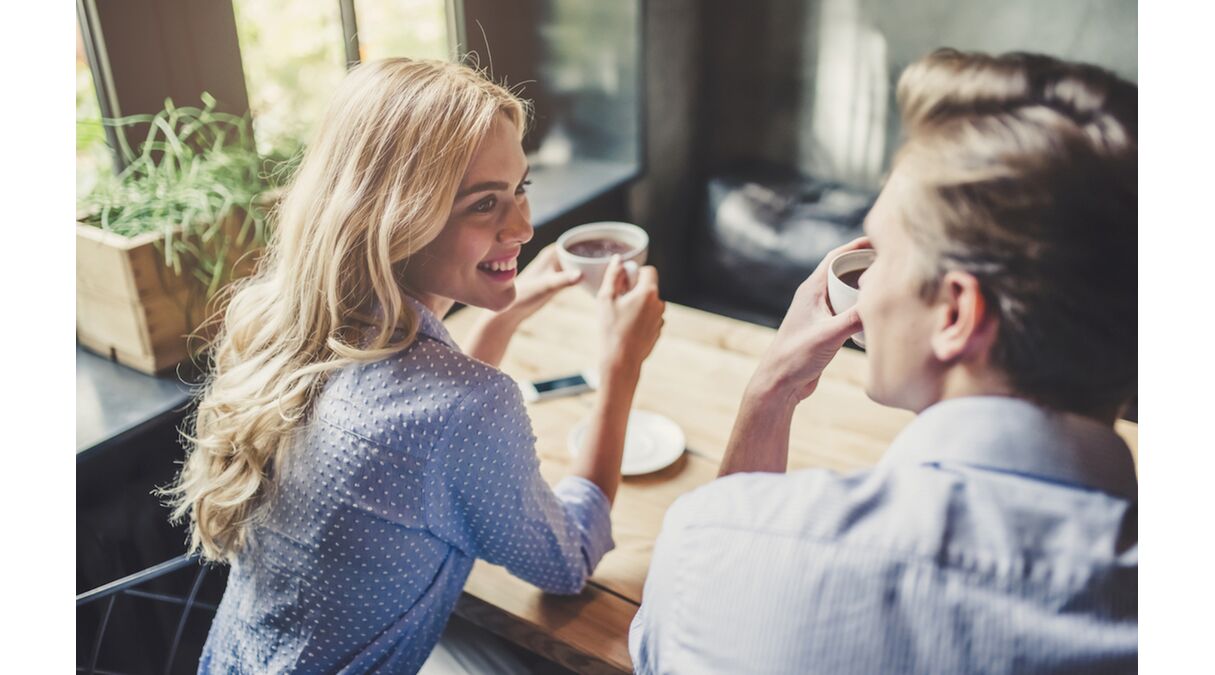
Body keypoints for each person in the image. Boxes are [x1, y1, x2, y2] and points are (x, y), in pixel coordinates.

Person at [630, 48, 1136, 674]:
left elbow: (666, 642)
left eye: (884, 253)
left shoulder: (716, 547)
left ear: (955, 314)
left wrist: (766, 390)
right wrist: (775, 389)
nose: (866, 287)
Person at [164, 58, 665, 673]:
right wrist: (620, 368)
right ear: (397, 218)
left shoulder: (284, 328)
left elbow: (416, 437)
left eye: (521, 189)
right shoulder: (465, 407)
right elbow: (567, 562)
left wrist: (499, 320)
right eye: (485, 204)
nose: (524, 227)